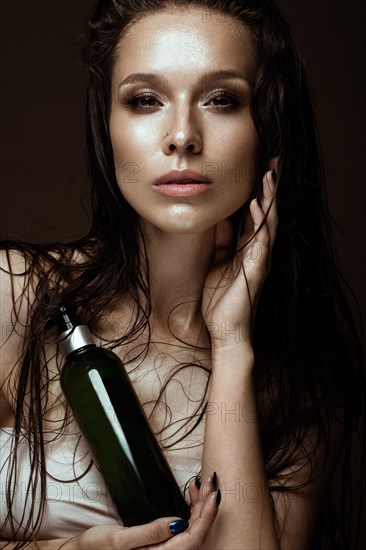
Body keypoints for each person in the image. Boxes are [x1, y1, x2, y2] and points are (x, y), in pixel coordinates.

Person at [0, 0, 364, 548]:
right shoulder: (15, 295)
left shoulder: (302, 379)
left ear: (267, 126)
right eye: (145, 100)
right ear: (108, 124)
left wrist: (232, 344)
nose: (182, 136)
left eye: (222, 99)